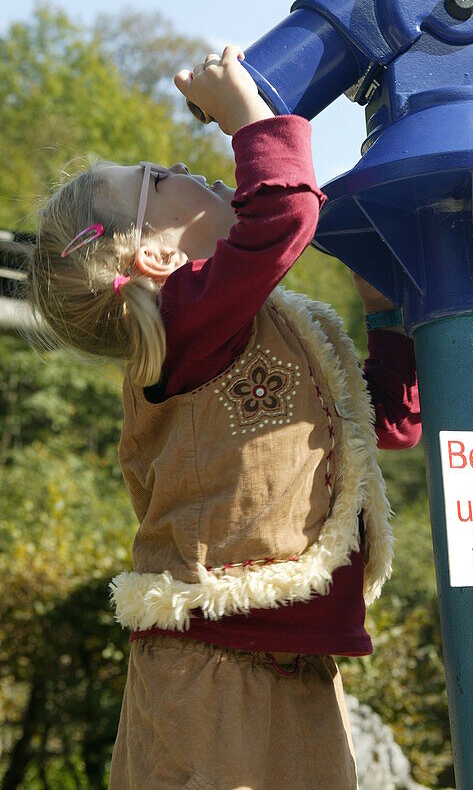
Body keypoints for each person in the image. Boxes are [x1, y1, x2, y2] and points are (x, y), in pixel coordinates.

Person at [27, 46, 421, 789]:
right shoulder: (182, 326)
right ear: (151, 257)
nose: (178, 167)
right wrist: (249, 117)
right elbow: (285, 212)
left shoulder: (277, 326)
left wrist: (388, 318)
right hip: (203, 676)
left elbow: (387, 431)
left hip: (301, 665)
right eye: (157, 178)